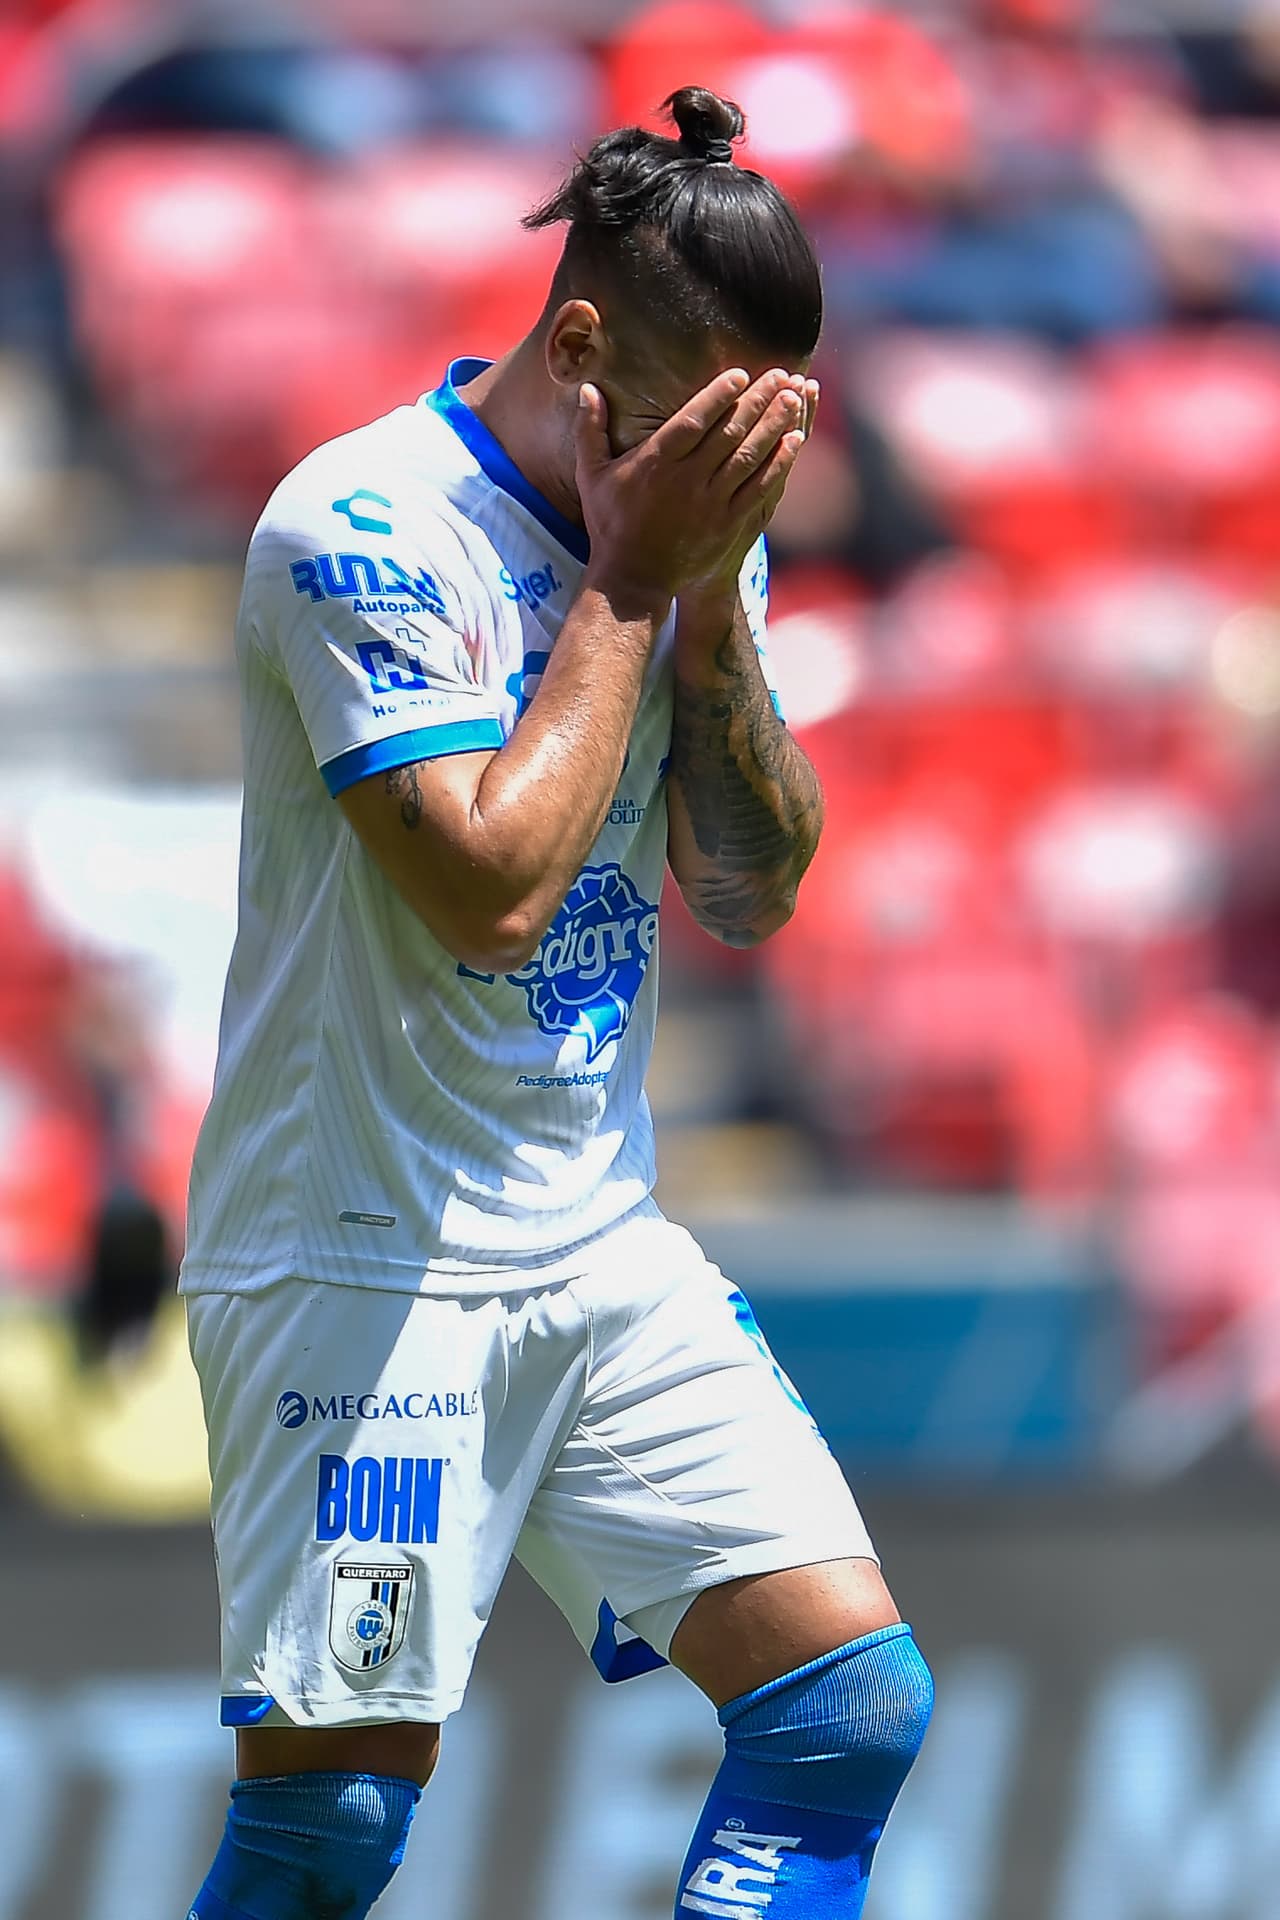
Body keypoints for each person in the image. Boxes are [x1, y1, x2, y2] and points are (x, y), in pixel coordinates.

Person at [181, 85, 933, 1920]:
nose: (739, 468)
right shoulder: (355, 527)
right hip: (360, 1252)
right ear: (583, 344)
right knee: (331, 1832)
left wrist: (716, 604)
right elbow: (495, 896)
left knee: (847, 1709)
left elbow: (751, 891)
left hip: (596, 1240)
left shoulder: (695, 529)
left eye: (768, 437)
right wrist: (630, 584)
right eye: (714, 422)